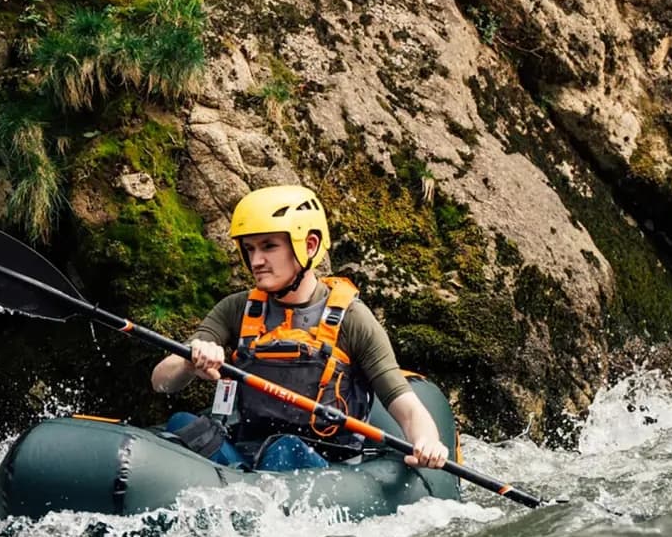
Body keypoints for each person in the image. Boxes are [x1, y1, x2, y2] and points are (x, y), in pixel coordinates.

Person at [151, 184, 449, 471]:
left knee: (284, 450)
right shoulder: (236, 308)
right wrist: (191, 359)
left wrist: (427, 442)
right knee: (182, 423)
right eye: (249, 248)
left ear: (309, 245)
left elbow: (406, 407)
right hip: (248, 453)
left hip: (324, 463)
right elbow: (160, 380)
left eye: (269, 246)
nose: (256, 260)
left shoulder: (353, 319)